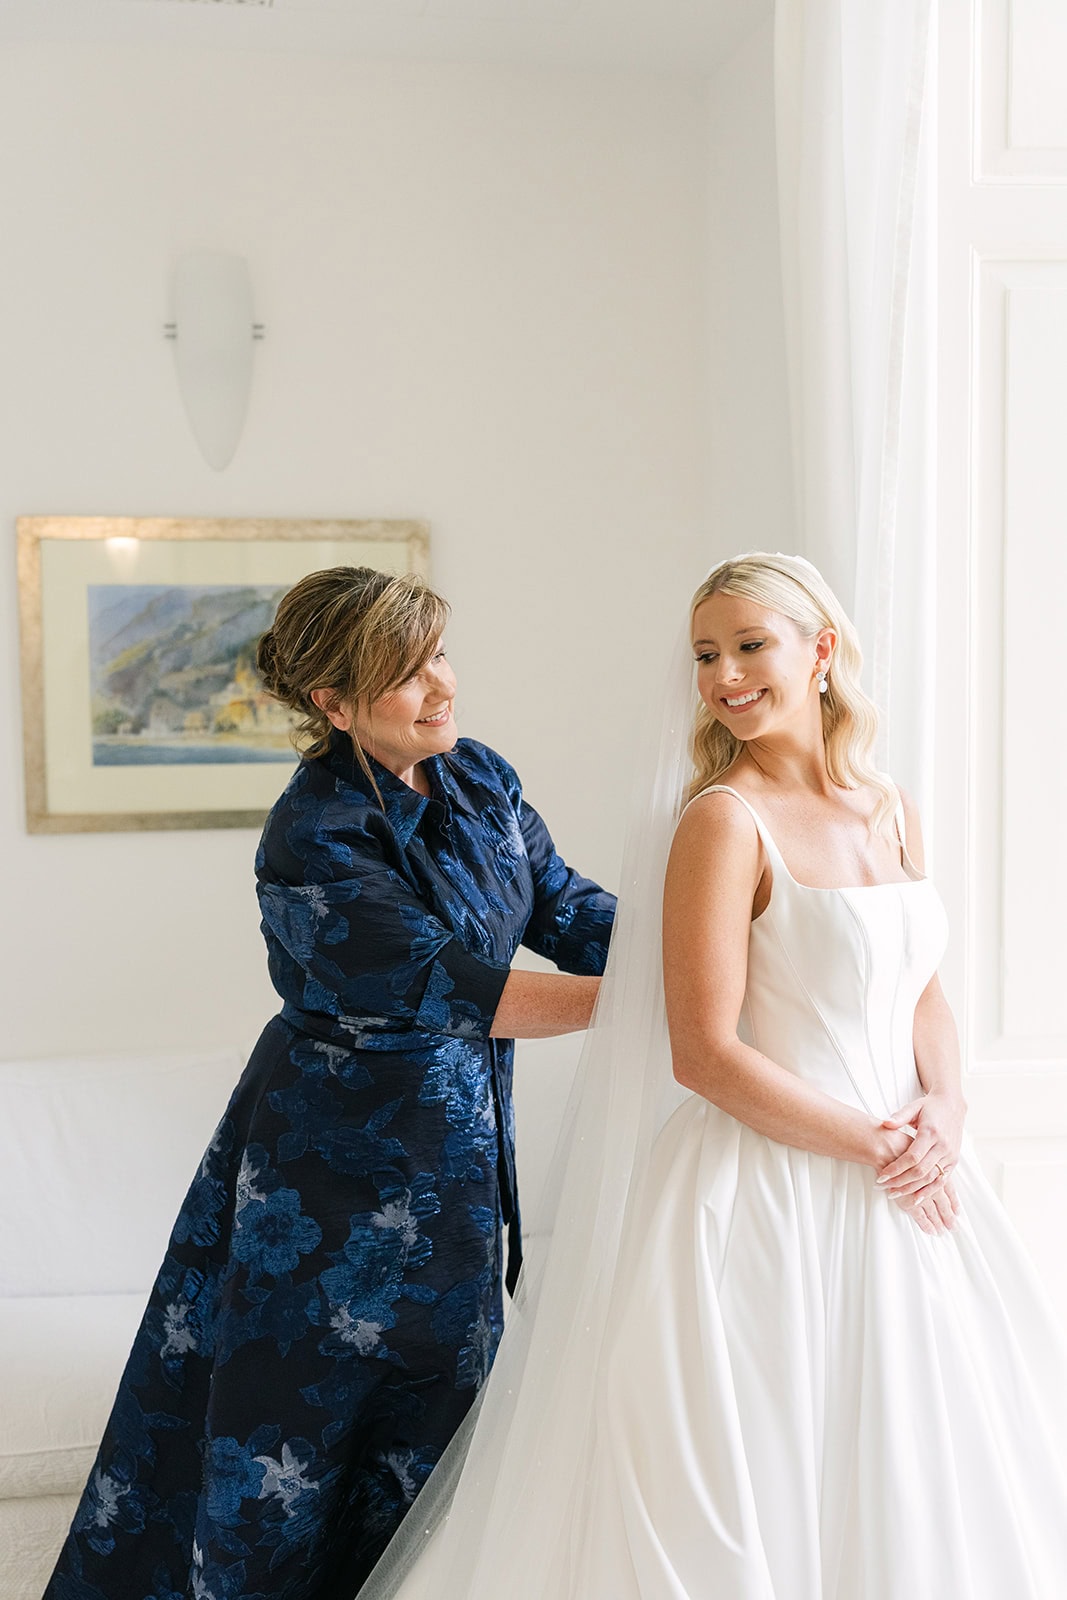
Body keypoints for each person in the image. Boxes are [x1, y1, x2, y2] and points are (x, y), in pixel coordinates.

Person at [356, 552, 1067, 1600]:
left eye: (747, 645)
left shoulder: (890, 807)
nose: (722, 675)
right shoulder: (719, 822)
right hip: (763, 1196)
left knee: (930, 1461)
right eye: (703, 653)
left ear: (819, 651)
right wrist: (875, 1142)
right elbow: (704, 1054)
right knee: (754, 1485)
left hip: (905, 1186)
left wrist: (945, 1109)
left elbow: (921, 989)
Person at [45, 566, 616, 1600]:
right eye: (404, 674)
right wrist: (662, 1003)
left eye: (437, 653)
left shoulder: (479, 777)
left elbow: (570, 911)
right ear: (333, 704)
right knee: (290, 1464)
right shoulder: (309, 836)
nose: (439, 685)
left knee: (438, 1452)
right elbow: (460, 989)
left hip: (454, 1190)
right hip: (323, 1194)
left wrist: (735, 930)